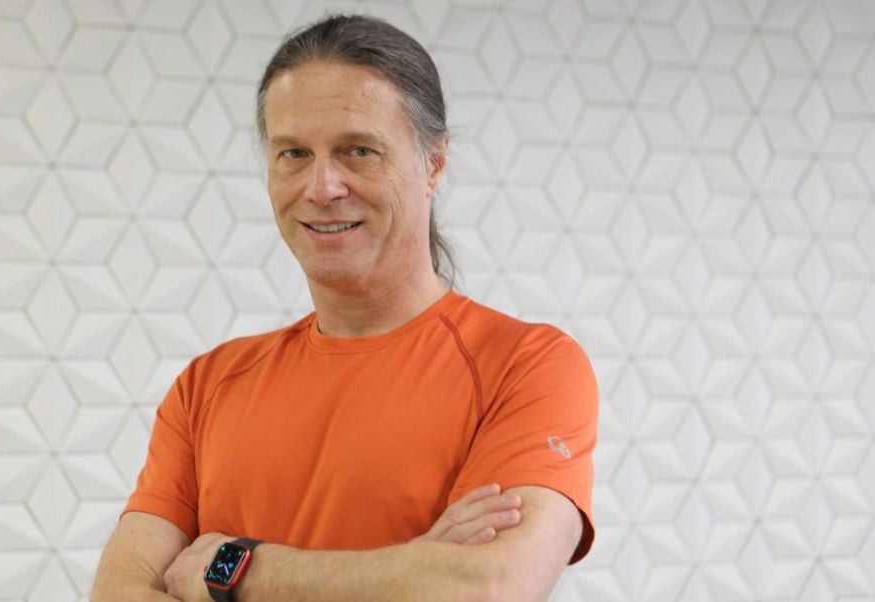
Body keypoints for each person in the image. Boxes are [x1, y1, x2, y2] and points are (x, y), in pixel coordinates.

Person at [93, 14, 598, 602]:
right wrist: (408, 570)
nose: (322, 187)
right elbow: (118, 594)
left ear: (433, 163)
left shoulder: (528, 366)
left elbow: (486, 586)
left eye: (358, 151)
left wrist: (235, 569)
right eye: (293, 154)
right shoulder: (207, 385)